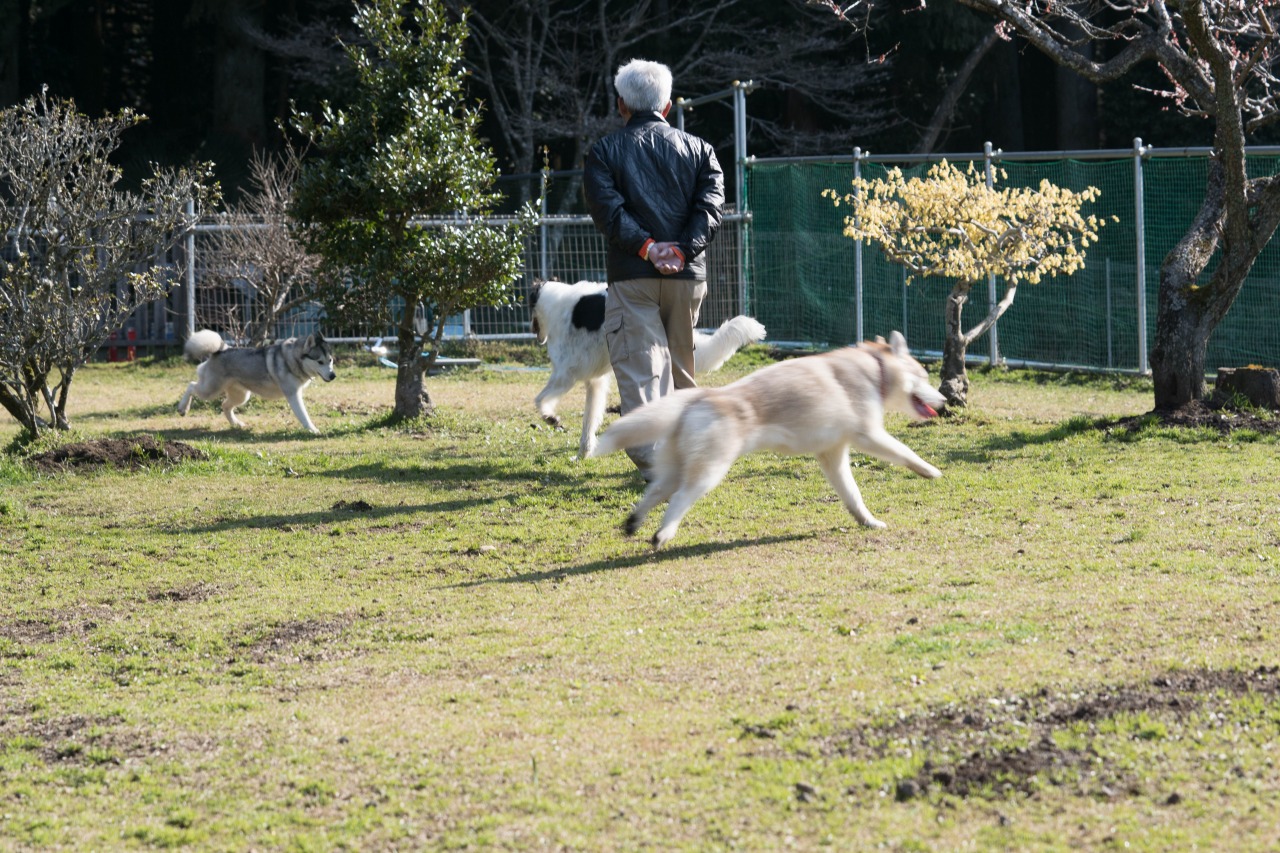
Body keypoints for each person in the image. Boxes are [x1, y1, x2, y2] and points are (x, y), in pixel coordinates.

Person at [583, 58, 725, 478]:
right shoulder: (701, 150)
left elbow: (608, 211)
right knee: (680, 368)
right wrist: (682, 249)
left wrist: (647, 247)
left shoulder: (604, 152)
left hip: (634, 276)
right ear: (666, 106)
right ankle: (690, 452)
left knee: (642, 370)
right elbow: (711, 208)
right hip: (687, 278)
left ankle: (658, 466)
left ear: (621, 104)